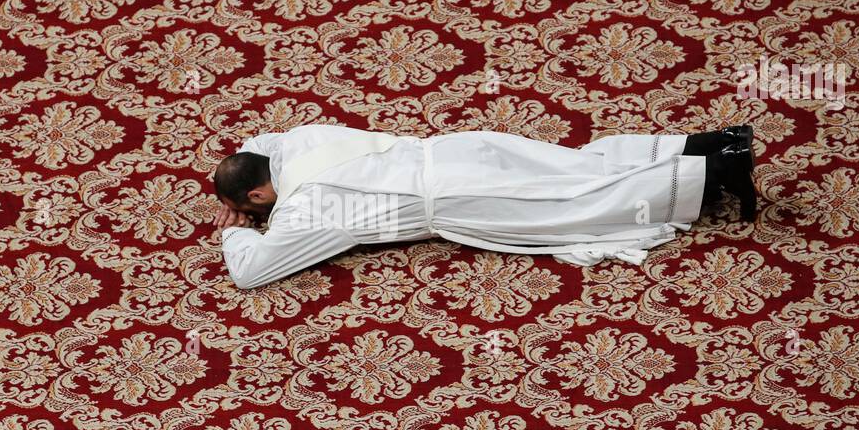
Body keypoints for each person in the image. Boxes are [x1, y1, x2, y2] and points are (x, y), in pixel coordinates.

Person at [212, 123, 755, 289]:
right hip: (461, 148)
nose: (263, 218)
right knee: (578, 166)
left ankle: (717, 175)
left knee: (576, 207)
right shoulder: (299, 142)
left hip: (455, 199)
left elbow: (252, 271)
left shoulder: (306, 210)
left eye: (256, 209)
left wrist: (235, 231)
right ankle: (711, 144)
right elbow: (266, 142)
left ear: (259, 196)